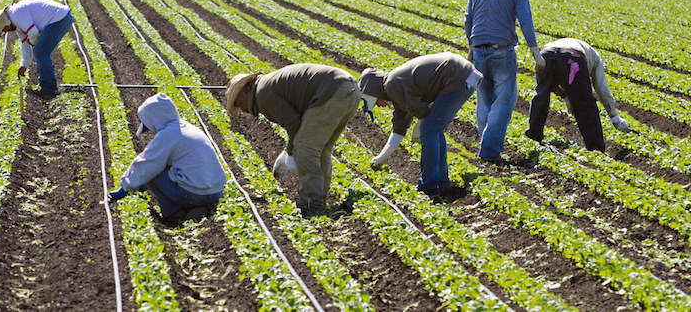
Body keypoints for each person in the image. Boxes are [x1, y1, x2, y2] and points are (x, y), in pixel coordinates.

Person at [225, 64, 361, 216]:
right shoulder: (265, 87)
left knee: (306, 148)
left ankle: (309, 204)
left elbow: (294, 123)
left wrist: (291, 152)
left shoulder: (262, 95)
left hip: (332, 92)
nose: (242, 110)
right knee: (321, 149)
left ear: (244, 90)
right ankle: (318, 200)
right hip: (349, 88)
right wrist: (288, 150)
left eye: (238, 104)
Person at [360, 52, 482, 199]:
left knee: (429, 130)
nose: (378, 107)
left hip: (456, 76)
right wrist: (381, 158)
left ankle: (429, 186)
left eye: (374, 103)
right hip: (460, 73)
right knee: (433, 129)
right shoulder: (393, 88)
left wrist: (421, 125)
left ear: (374, 93)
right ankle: (442, 182)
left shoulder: (393, 85)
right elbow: (399, 128)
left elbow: (422, 112)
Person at [464, 0, 546, 163]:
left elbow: (468, 19)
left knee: (484, 99)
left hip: (479, 49)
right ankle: (489, 151)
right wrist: (536, 53)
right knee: (504, 100)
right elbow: (525, 20)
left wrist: (471, 48)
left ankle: (486, 144)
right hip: (502, 51)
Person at [107, 93, 226, 225]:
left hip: (195, 194)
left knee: (153, 172)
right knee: (162, 167)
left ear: (154, 120)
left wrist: (124, 188)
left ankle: (175, 213)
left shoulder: (167, 135)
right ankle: (203, 208)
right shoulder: (187, 128)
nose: (151, 131)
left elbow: (146, 164)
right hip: (216, 192)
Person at [525, 38, 629, 152]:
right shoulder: (595, 58)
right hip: (572, 57)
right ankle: (596, 149)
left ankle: (532, 137)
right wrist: (614, 116)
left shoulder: (580, 49)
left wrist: (564, 95)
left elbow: (552, 84)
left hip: (546, 54)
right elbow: (601, 88)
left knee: (541, 95)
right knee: (585, 104)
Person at [0, 0, 73, 100]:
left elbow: (33, 32)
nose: (6, 31)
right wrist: (24, 65)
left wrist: (34, 42)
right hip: (60, 17)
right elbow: (25, 44)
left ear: (5, 22)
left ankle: (49, 88)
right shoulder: (16, 22)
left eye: (3, 29)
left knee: (40, 52)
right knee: (40, 51)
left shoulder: (16, 14)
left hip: (59, 18)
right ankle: (46, 85)